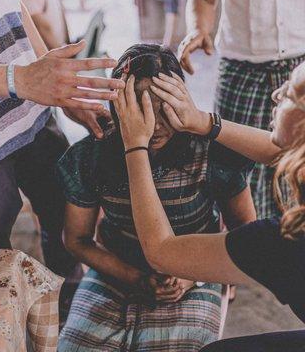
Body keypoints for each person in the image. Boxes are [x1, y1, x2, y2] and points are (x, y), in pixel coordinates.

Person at [56, 44, 256, 351]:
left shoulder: (212, 154)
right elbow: (77, 240)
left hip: (198, 269)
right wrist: (134, 277)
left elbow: (246, 234)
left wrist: (193, 277)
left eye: (165, 107)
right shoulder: (90, 157)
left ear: (183, 101)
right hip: (117, 266)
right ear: (118, 106)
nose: (155, 124)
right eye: (140, 108)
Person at [113, 52, 305, 350]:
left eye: (290, 94)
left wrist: (135, 145)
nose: (276, 93)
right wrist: (202, 122)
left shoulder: (283, 242)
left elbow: (162, 252)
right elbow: (279, 151)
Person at [0, 0, 123, 319]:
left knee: (64, 209)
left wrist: (52, 81)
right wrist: (19, 79)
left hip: (30, 112)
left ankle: (68, 304)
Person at [179, 0, 305, 220]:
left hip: (301, 70)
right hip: (241, 70)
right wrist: (199, 30)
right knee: (232, 167)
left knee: (299, 163)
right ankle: (248, 249)